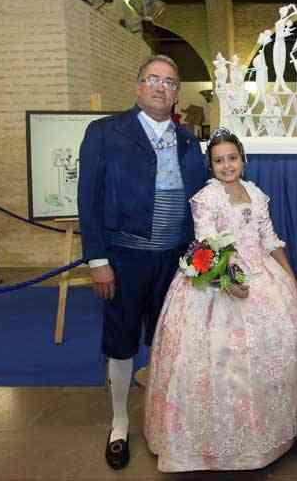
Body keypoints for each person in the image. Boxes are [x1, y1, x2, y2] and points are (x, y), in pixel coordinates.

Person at [144, 128, 297, 472]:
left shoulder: (256, 193)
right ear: (211, 165)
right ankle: (210, 442)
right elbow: (208, 242)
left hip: (261, 271)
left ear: (243, 160)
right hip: (220, 276)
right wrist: (230, 280)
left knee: (274, 341)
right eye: (219, 160)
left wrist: (290, 276)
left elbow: (269, 238)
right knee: (218, 354)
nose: (227, 165)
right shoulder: (206, 198)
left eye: (232, 158)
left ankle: (263, 434)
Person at [77, 55, 209, 470]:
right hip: (123, 257)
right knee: (121, 343)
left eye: (170, 82)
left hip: (175, 262)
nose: (161, 87)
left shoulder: (188, 141)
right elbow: (88, 199)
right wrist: (98, 259)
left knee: (166, 341)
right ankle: (119, 423)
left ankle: (162, 420)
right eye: (153, 79)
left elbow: (199, 202)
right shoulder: (104, 133)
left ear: (176, 94)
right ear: (138, 87)